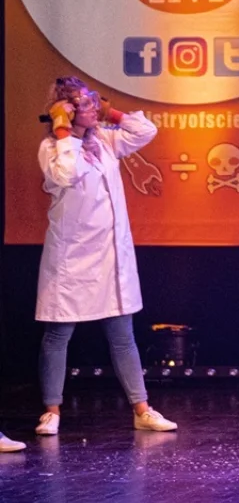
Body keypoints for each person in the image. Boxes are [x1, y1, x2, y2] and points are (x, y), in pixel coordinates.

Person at [34, 77, 175, 436]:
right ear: (65, 112)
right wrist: (63, 129)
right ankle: (52, 410)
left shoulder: (106, 141)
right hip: (71, 258)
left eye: (94, 100)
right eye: (84, 103)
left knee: (123, 335)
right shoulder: (52, 148)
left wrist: (112, 113)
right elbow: (68, 174)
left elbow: (146, 130)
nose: (93, 107)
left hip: (110, 255)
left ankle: (141, 409)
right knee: (58, 335)